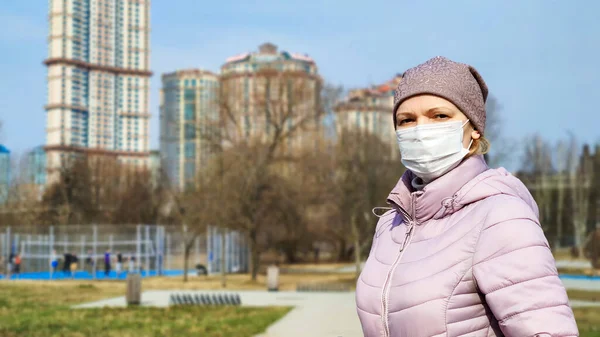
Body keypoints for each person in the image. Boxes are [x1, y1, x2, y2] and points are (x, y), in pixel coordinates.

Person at [355, 56, 578, 336]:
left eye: (439, 116)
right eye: (406, 120)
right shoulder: (390, 224)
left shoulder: (499, 216)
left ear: (473, 128)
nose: (420, 129)